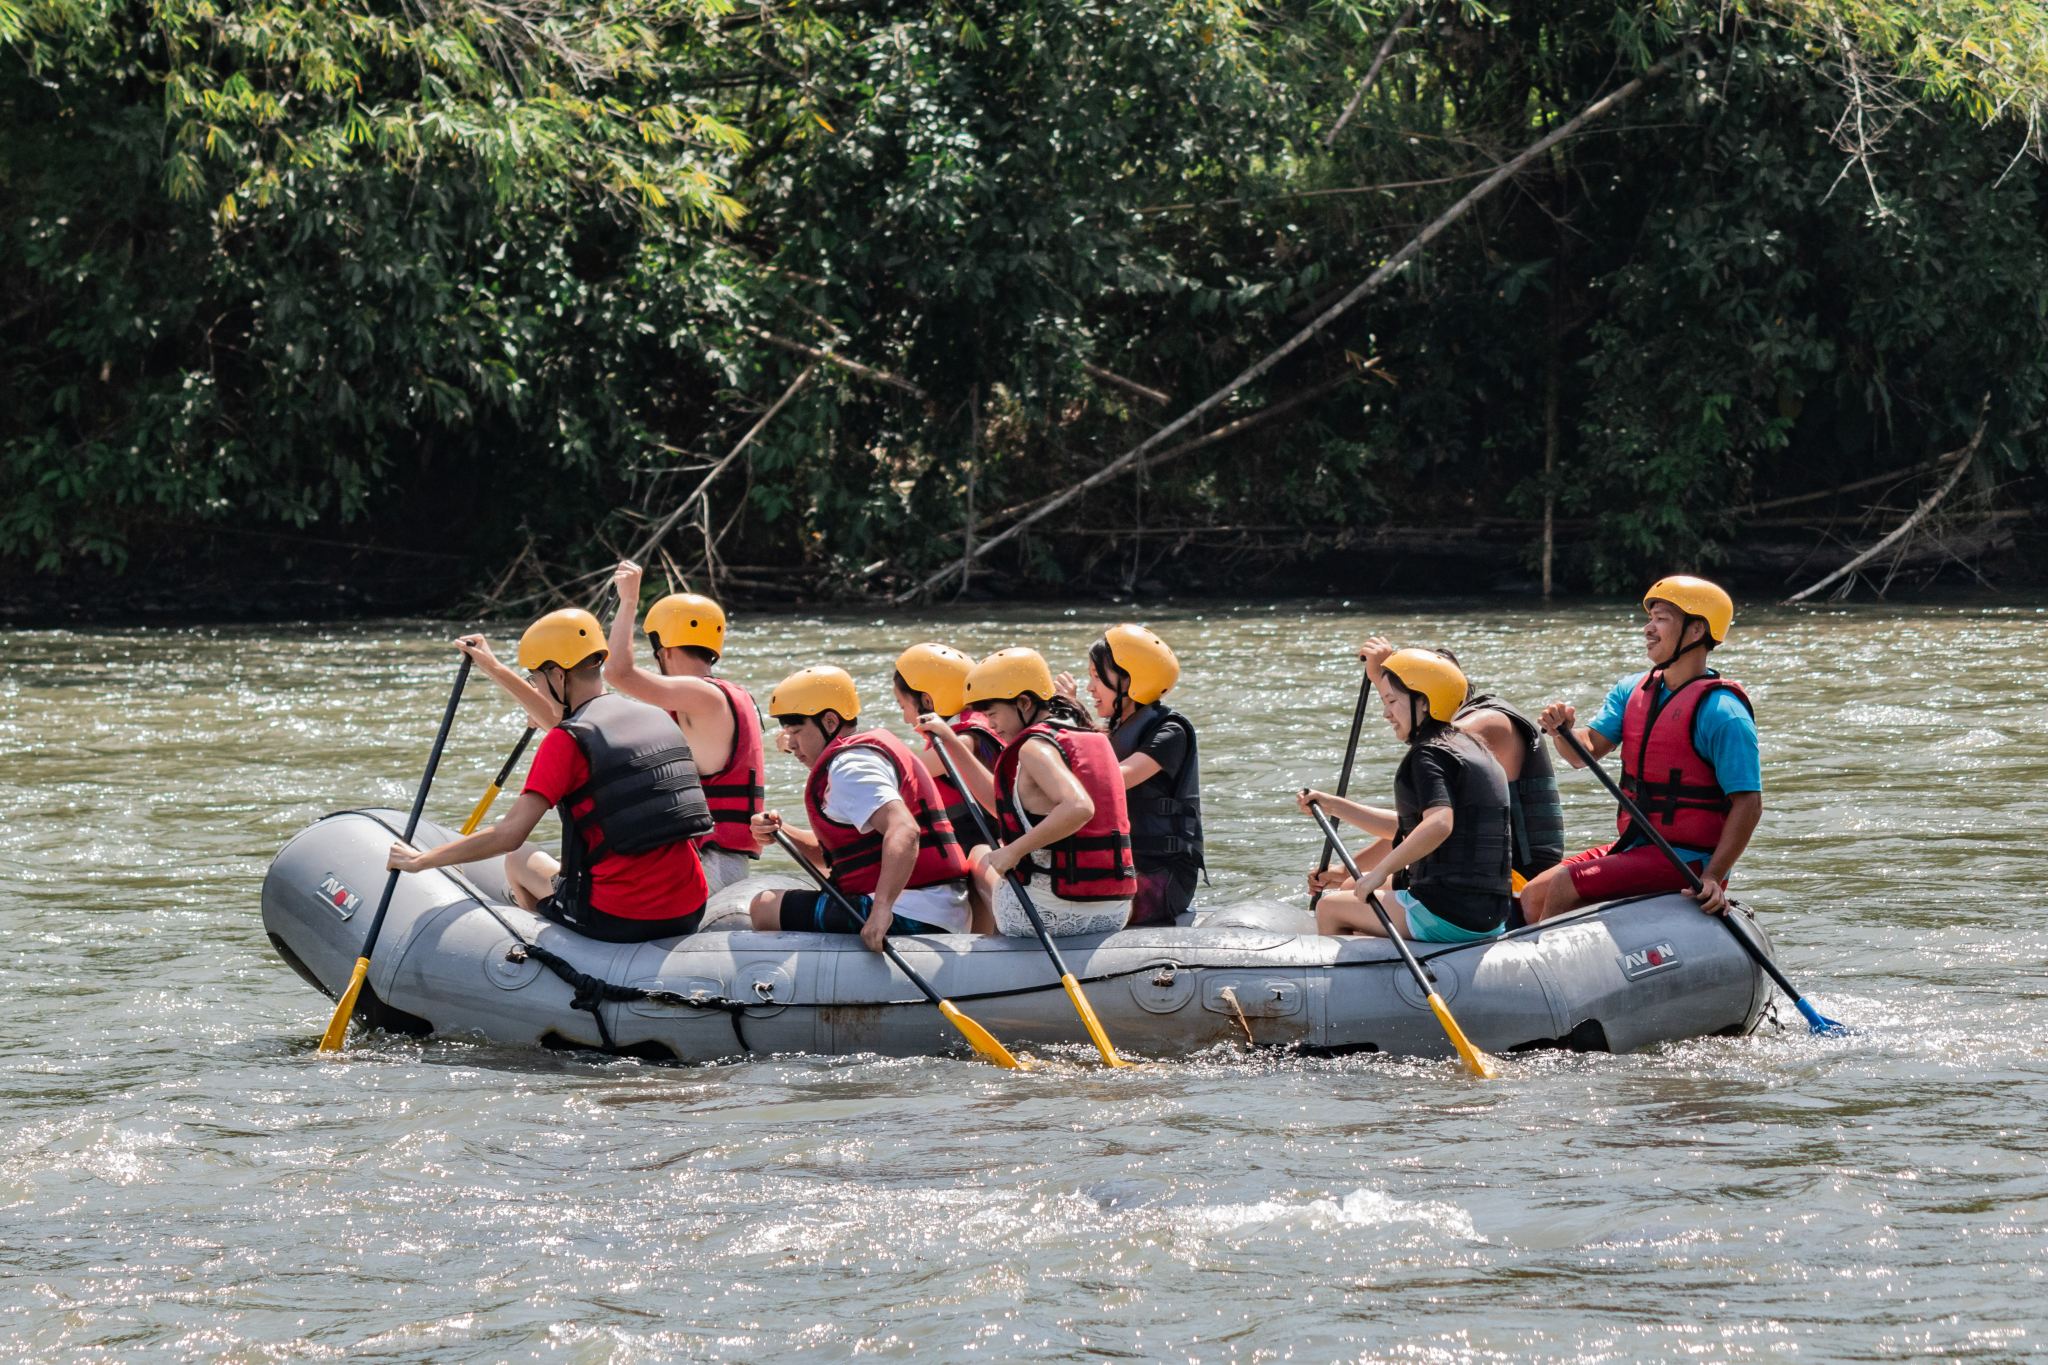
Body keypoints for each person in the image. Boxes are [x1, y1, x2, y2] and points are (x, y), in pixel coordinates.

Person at [384, 609, 712, 943]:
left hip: (620, 917)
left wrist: (422, 860)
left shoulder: (567, 741)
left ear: (557, 674)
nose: (536, 687)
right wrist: (493, 667)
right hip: (689, 907)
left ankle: (544, 956)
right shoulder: (654, 717)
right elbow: (571, 728)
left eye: (536, 678)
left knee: (519, 858)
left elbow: (509, 834)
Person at [1519, 575, 1759, 923]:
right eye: (1650, 619)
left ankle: (1540, 964)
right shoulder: (1632, 690)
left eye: (1661, 619)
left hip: (1689, 859)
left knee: (1565, 883)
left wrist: (1713, 875)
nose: (1648, 628)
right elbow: (1580, 755)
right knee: (1533, 893)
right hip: (1639, 845)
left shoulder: (1724, 712)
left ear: (1696, 631)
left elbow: (1749, 804)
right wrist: (1564, 733)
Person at [746, 666, 974, 949]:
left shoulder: (850, 767)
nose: (790, 744)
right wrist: (781, 832)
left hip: (911, 914)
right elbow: (834, 855)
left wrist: (880, 912)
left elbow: (904, 829)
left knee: (764, 906)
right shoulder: (860, 756)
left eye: (796, 730)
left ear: (830, 722)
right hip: (939, 907)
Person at [1298, 648, 1514, 942]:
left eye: (1391, 701)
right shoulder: (1470, 746)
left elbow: (1439, 824)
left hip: (1447, 913)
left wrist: (1378, 873)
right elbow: (1407, 828)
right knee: (1351, 887)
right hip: (1488, 915)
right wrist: (1332, 805)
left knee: (1330, 906)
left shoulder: (1428, 755)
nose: (1386, 713)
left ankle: (1343, 981)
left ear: (1423, 702)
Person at [928, 647, 1135, 937]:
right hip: (1114, 911)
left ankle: (983, 952)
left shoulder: (1035, 747)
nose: (991, 725)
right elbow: (998, 806)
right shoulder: (1090, 737)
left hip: (1052, 913)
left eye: (993, 713)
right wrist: (950, 741)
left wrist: (1014, 851)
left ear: (1024, 703)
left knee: (979, 855)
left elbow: (1078, 807)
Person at [602, 560, 766, 895]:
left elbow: (618, 673)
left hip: (710, 868)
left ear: (663, 648)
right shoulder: (713, 699)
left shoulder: (704, 696)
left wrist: (629, 601)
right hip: (716, 864)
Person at [1357, 636, 1564, 887]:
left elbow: (1433, 821)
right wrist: (1349, 868)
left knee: (1353, 889)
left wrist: (1381, 678)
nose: (1389, 711)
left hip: (1521, 872)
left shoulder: (1487, 722)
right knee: (1350, 882)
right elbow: (1414, 826)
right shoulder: (1447, 738)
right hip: (1485, 865)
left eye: (1396, 697)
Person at [1053, 624, 1204, 927]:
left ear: (1129, 680)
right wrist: (1071, 711)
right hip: (1124, 865)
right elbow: (1098, 748)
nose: (1090, 687)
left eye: (1097, 678)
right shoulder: (1120, 728)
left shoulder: (1169, 732)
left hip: (1163, 872)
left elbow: (1114, 780)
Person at [893, 642, 1002, 931]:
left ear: (927, 701)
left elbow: (901, 774)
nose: (905, 718)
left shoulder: (965, 737)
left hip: (983, 846)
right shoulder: (969, 725)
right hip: (969, 843)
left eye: (903, 706)